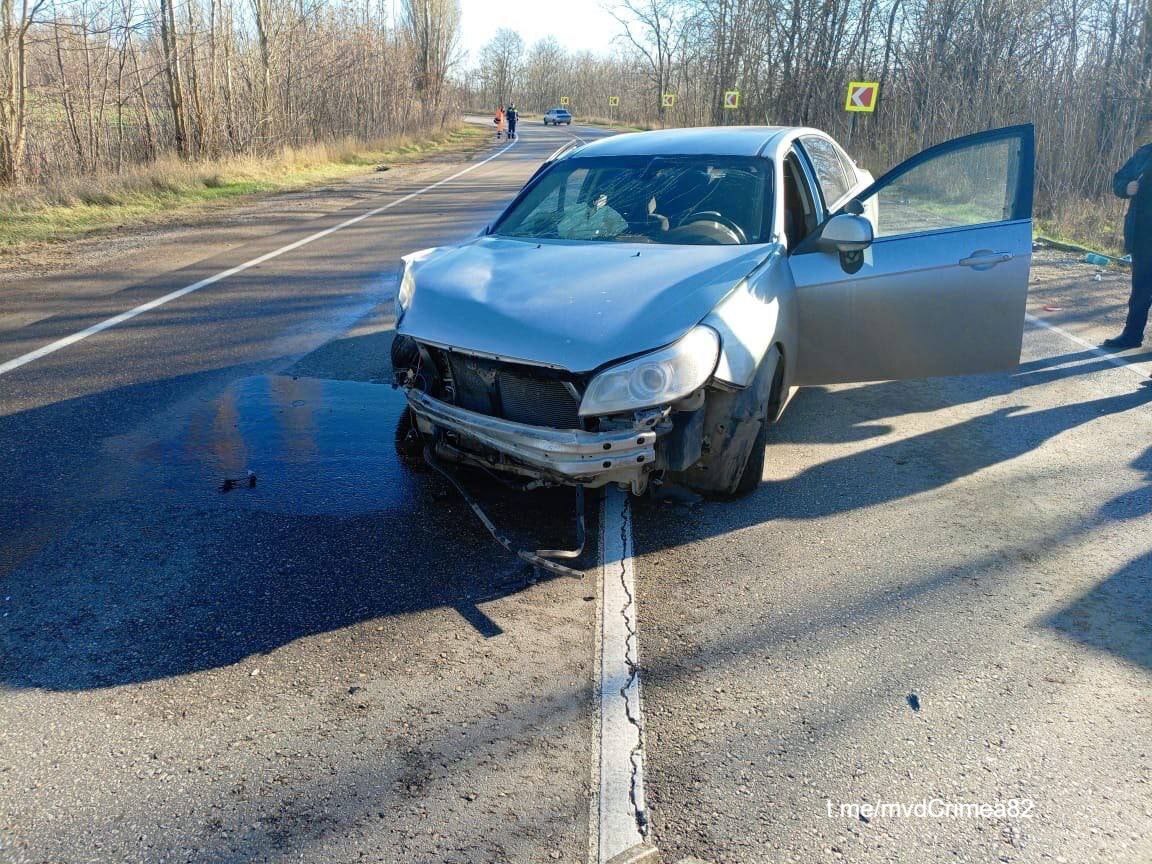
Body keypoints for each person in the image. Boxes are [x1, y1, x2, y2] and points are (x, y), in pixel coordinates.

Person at [1102, 139, 1152, 349]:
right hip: (1142, 236)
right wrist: (1126, 188)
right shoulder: (1145, 153)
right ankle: (1132, 336)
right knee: (1140, 290)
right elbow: (1119, 179)